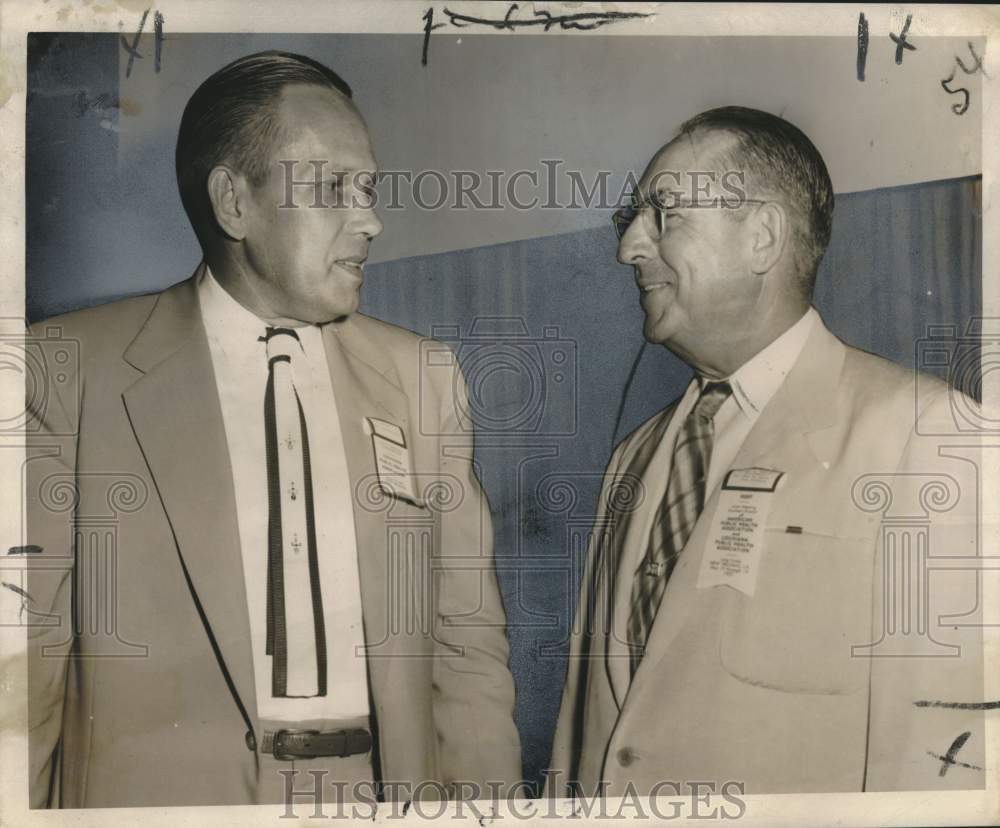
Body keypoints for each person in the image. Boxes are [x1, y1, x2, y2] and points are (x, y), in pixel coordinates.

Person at [25, 50, 520, 808]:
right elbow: (22, 663)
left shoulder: (422, 379)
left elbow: (468, 649)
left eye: (369, 189)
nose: (372, 220)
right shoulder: (66, 372)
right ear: (234, 203)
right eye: (331, 189)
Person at [548, 107, 985, 796]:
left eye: (664, 215)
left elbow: (946, 766)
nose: (628, 248)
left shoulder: (928, 437)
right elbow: (584, 737)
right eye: (631, 221)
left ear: (761, 238)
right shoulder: (634, 458)